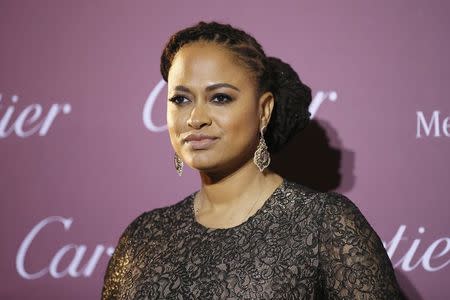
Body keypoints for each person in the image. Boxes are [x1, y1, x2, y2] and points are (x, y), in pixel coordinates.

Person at [101, 21, 404, 299]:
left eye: (220, 97)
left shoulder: (324, 223)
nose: (195, 118)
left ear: (264, 110)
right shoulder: (143, 235)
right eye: (181, 99)